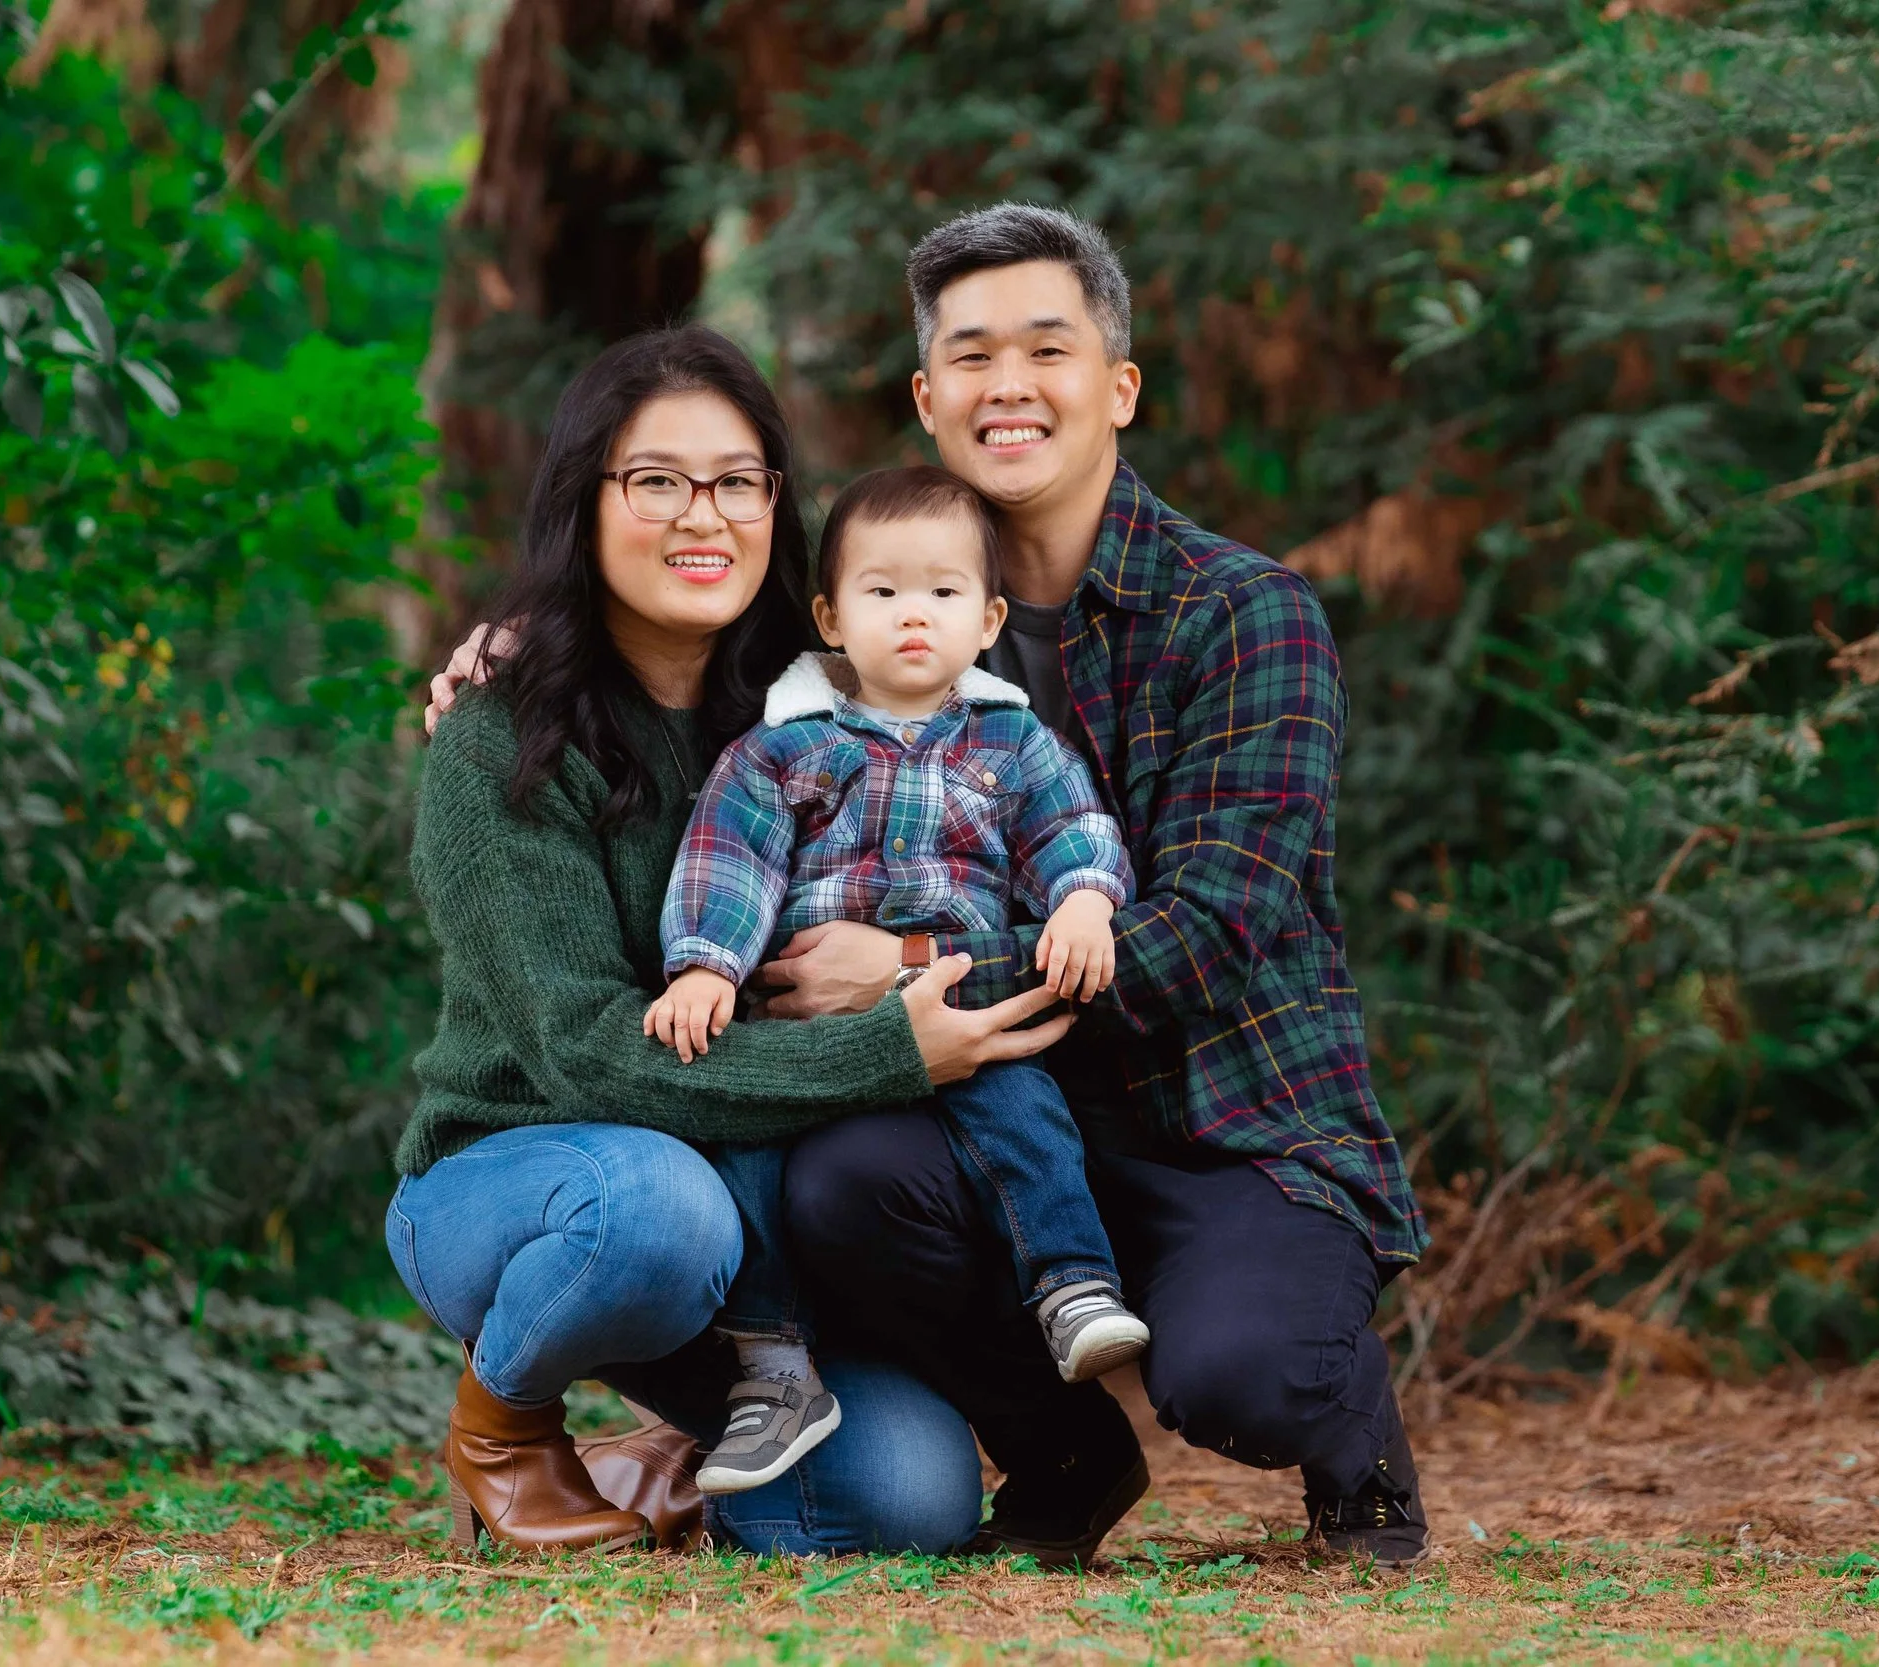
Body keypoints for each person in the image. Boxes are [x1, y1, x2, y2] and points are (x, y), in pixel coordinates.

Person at [426, 206, 1434, 1572]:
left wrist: (908, 977)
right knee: (822, 1188)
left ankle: (1349, 1442)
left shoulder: (1241, 615)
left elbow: (1216, 927)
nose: (1006, 384)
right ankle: (1059, 1447)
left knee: (1194, 1391)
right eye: (970, 353)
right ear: (925, 397)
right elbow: (662, 623)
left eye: (1047, 347)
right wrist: (516, 644)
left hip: (1214, 1125)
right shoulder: (864, 638)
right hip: (952, 1117)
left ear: (1118, 385)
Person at [388, 325, 1075, 1558]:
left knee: (907, 1494)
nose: (702, 514)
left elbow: (1008, 902)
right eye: (656, 480)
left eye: (739, 479)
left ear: (777, 508)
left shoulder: (818, 716)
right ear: (584, 501)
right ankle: (505, 1426)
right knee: (660, 1211)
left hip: (751, 1224)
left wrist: (914, 975)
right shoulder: (504, 739)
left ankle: (655, 1459)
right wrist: (884, 1056)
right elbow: (588, 1054)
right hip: (527, 1183)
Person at [642, 465, 1149, 1497]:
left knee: (1024, 1112)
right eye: (881, 593)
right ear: (831, 614)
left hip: (954, 1005)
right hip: (809, 1021)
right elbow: (728, 856)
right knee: (747, 1144)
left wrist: (1085, 898)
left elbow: (1072, 830)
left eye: (942, 593)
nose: (912, 615)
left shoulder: (1012, 739)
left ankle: (1070, 1283)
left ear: (989, 615)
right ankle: (774, 1368)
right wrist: (704, 962)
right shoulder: (784, 745)